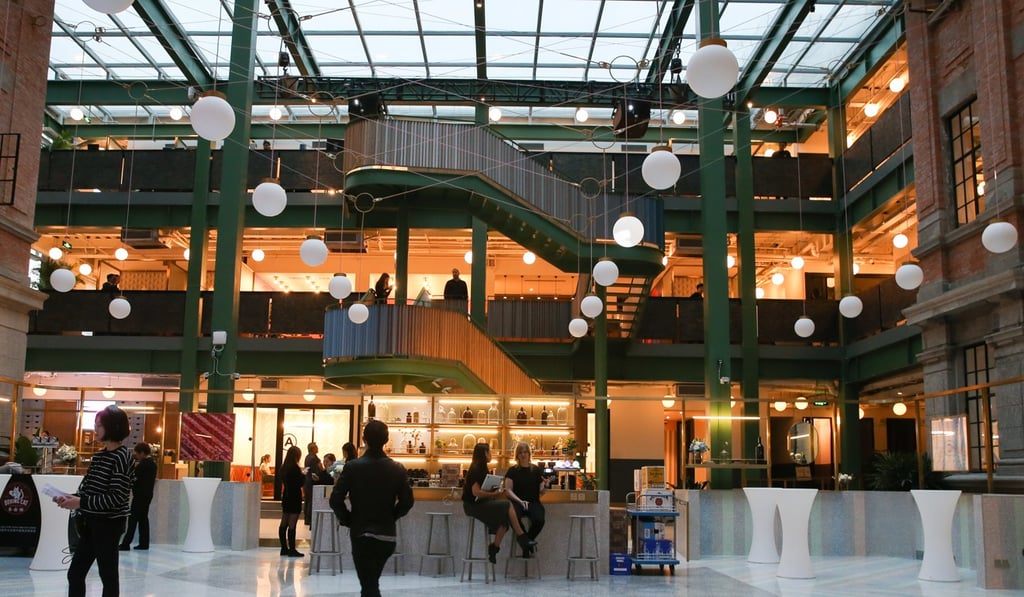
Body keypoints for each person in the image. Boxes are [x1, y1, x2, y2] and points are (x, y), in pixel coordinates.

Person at [55, 405, 132, 597]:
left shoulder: (122, 457)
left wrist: (80, 502)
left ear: (112, 427)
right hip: (90, 523)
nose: (95, 430)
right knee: (75, 573)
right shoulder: (99, 456)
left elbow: (116, 498)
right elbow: (87, 489)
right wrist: (69, 498)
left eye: (99, 425)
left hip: (109, 525)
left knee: (108, 577)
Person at [331, 420, 413, 597]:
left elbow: (335, 499)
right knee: (371, 583)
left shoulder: (352, 467)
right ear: (387, 440)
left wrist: (348, 519)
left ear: (363, 439)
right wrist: (392, 516)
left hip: (361, 533)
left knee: (369, 586)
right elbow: (407, 501)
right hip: (386, 535)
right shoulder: (397, 468)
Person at [462, 443, 532, 563]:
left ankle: (494, 548)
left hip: (480, 504)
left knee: (504, 523)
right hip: (473, 506)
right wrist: (493, 494)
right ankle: (521, 536)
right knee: (507, 504)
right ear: (484, 454)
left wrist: (492, 489)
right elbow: (476, 492)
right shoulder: (476, 469)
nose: (491, 454)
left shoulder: (482, 468)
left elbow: (481, 490)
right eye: (489, 452)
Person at [504, 442, 551, 554]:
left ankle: (526, 542)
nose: (523, 455)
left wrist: (547, 485)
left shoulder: (536, 470)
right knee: (513, 518)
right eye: (520, 453)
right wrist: (520, 501)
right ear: (517, 455)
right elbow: (508, 490)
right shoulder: (512, 471)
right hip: (517, 502)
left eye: (525, 452)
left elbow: (541, 492)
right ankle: (526, 541)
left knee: (539, 520)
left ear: (529, 454)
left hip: (533, 502)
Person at [119, 442, 157, 551]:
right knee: (143, 519)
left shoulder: (144, 464)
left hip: (140, 496)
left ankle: (126, 543)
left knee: (133, 519)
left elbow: (133, 475)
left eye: (137, 453)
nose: (136, 455)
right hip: (147, 495)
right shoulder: (152, 464)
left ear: (142, 453)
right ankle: (144, 543)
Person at [278, 445, 305, 557]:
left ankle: (284, 548)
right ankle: (292, 549)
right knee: (292, 523)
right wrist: (303, 474)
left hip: (286, 496)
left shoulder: (284, 467)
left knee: (284, 522)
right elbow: (299, 483)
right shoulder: (295, 468)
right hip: (294, 497)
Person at [303, 441, 324, 525]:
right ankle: (310, 518)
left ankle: (306, 518)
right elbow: (316, 471)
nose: (317, 448)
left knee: (307, 499)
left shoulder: (307, 457)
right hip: (312, 481)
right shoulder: (314, 458)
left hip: (307, 480)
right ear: (313, 448)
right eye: (316, 447)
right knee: (311, 500)